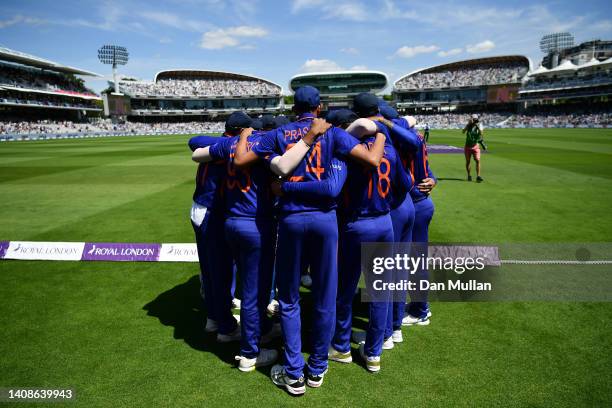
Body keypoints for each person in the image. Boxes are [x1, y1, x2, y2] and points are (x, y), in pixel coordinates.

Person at [233, 86, 386, 395]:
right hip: (326, 222)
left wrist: (244, 137)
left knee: (288, 299)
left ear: (293, 107)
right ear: (320, 107)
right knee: (325, 297)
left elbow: (242, 158)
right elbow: (370, 160)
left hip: (290, 220)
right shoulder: (333, 133)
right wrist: (382, 130)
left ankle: (293, 372)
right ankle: (317, 368)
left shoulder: (280, 134)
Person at [191, 111, 280, 372]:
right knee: (244, 283)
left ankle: (217, 320)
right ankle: (241, 338)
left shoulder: (221, 145)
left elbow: (194, 143)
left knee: (215, 271)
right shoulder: (249, 146)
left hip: (217, 213)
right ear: (243, 130)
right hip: (228, 215)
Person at [329, 94, 412, 373]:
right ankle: (374, 352)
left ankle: (341, 347)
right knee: (381, 291)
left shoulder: (347, 148)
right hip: (383, 222)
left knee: (346, 288)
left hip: (355, 222)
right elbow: (405, 184)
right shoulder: (387, 147)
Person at [374, 106, 437, 328]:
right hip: (419, 202)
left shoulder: (399, 139)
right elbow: (426, 170)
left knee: (413, 261)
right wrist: (433, 179)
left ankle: (420, 310)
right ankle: (414, 307)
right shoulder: (413, 136)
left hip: (414, 203)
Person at [462, 114, 484, 182]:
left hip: (475, 146)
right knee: (468, 161)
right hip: (468, 146)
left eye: (475, 119)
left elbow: (481, 133)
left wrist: (477, 126)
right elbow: (463, 131)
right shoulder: (469, 125)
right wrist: (468, 124)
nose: (474, 120)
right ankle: (469, 175)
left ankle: (478, 176)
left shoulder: (479, 125)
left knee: (477, 160)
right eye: (473, 119)